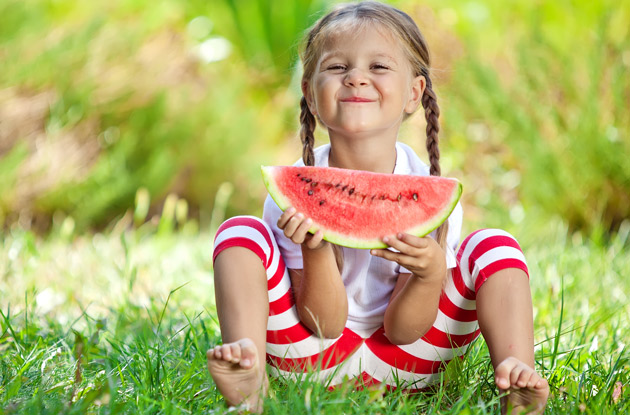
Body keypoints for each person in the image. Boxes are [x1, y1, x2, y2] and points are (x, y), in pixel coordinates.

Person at [207, 2, 549, 413]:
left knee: (495, 245)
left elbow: (404, 331)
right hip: (312, 356)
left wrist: (430, 274)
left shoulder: (431, 191)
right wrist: (317, 250)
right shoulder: (294, 191)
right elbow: (325, 324)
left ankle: (516, 375)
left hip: (413, 360)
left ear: (413, 94)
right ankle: (249, 376)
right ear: (311, 95)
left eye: (379, 67)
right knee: (239, 232)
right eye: (336, 68)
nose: (355, 78)